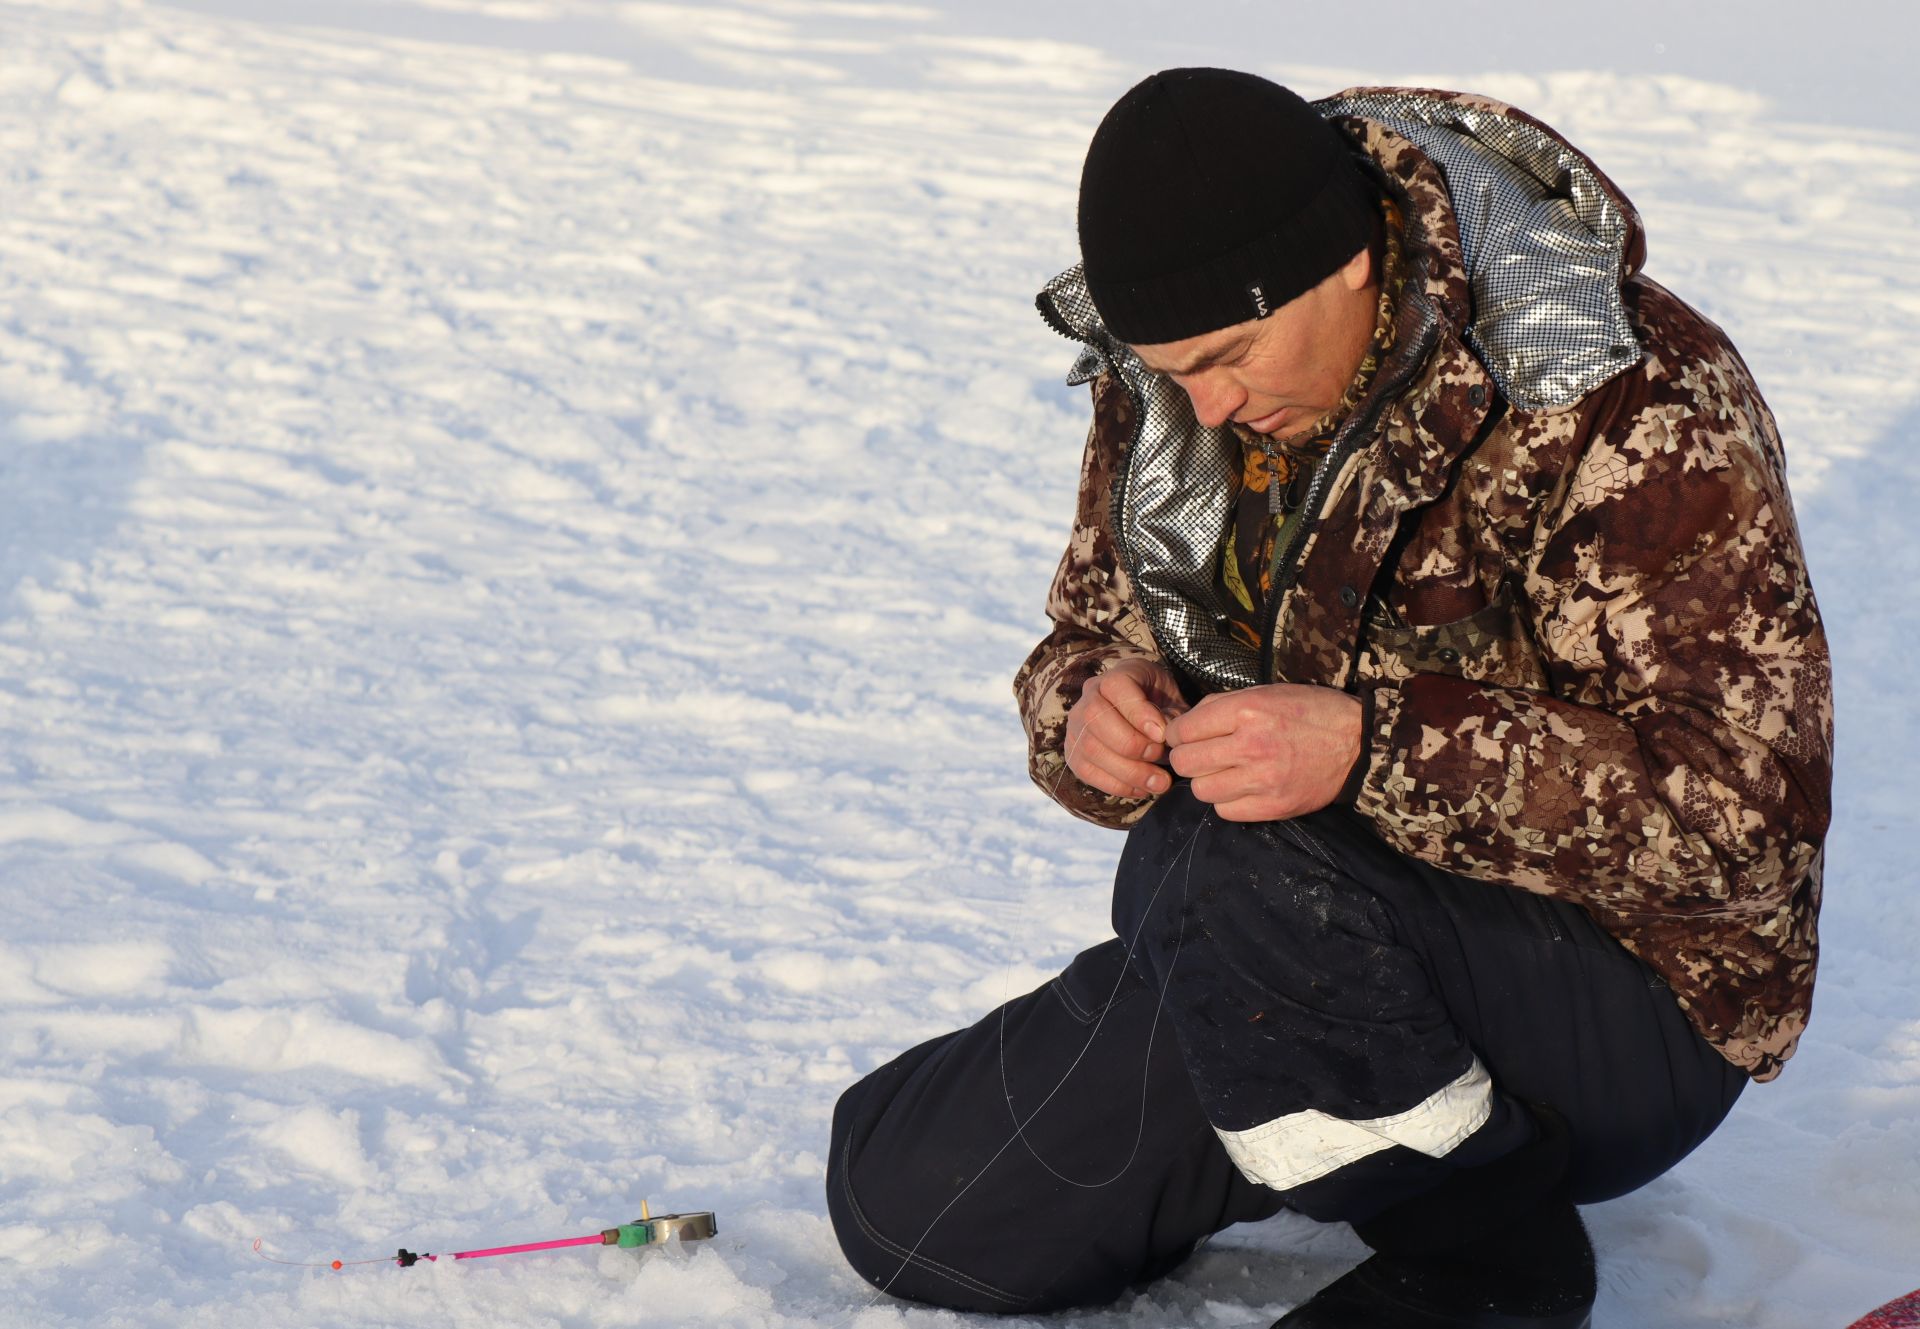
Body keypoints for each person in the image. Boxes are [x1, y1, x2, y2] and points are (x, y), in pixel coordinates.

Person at [825, 70, 1832, 1329]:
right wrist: (1090, 708)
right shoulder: (1184, 388)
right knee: (912, 1208)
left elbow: (1747, 817)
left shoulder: (1621, 385)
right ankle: (1339, 1114)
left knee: (1228, 867)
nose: (1208, 405)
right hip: (1283, 948)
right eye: (1165, 370)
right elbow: (1086, 634)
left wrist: (1376, 751)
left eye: (1227, 358)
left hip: (1625, 1000)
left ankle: (1485, 1253)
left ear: (1350, 262)